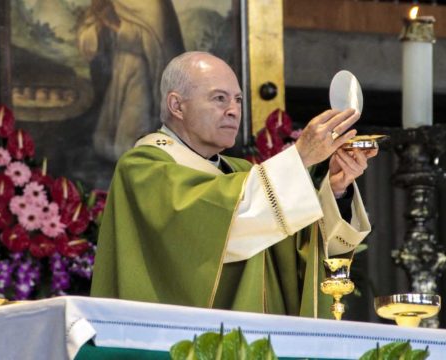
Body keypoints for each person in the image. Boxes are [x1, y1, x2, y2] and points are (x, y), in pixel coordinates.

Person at [91, 51, 378, 318]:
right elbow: (222, 229)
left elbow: (292, 245)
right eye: (219, 98)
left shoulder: (240, 173)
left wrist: (336, 189)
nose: (233, 110)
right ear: (177, 105)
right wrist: (300, 157)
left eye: (238, 100)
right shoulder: (144, 168)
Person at [78, 0, 184, 162]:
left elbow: (153, 39)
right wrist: (98, 28)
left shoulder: (153, 4)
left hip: (142, 71)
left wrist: (114, 27)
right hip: (117, 69)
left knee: (132, 128)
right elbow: (88, 35)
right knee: (109, 130)